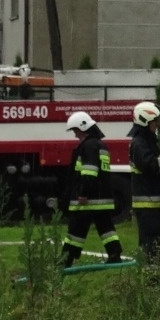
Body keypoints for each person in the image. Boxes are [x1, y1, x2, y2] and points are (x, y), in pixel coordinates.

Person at [62, 111, 123, 267]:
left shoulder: (88, 146)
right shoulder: (100, 144)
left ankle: (66, 260)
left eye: (75, 130)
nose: (75, 135)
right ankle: (115, 254)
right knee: (106, 228)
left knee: (76, 229)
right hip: (103, 197)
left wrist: (83, 193)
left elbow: (89, 172)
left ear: (83, 127)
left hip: (89, 199)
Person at [128, 101, 160, 265]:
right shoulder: (139, 144)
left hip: (156, 206)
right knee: (150, 247)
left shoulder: (147, 141)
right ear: (145, 121)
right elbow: (151, 166)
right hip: (147, 208)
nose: (157, 124)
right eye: (155, 121)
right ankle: (152, 280)